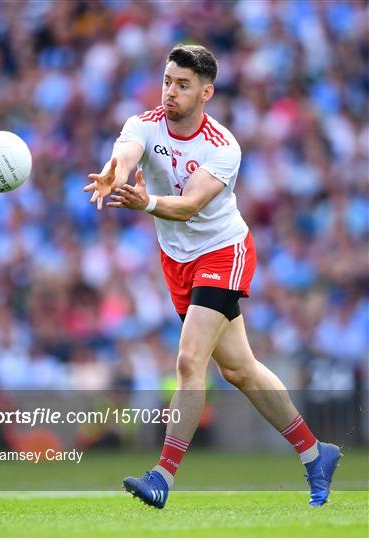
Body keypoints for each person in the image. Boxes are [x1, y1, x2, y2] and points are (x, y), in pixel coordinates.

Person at [84, 44, 341, 509]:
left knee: (189, 361)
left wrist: (147, 204)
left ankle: (163, 475)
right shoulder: (143, 124)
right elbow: (126, 152)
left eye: (183, 85)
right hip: (177, 261)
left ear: (207, 92)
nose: (170, 92)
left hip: (223, 252)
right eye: (167, 81)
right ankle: (315, 453)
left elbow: (189, 206)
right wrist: (113, 173)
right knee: (240, 369)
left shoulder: (223, 147)